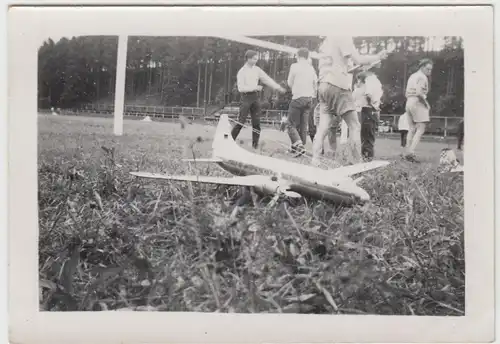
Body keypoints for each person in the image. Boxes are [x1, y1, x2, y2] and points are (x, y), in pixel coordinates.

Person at [312, 36, 388, 166]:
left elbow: (344, 65)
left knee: (323, 127)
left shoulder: (326, 42)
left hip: (323, 85)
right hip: (338, 84)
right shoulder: (343, 36)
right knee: (354, 125)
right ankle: (357, 163)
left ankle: (315, 159)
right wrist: (377, 57)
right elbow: (357, 58)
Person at [231, 50, 286, 149]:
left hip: (255, 98)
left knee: (256, 123)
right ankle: (229, 142)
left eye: (257, 59)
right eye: (254, 59)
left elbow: (267, 79)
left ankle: (255, 146)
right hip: (245, 98)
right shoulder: (242, 72)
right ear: (248, 59)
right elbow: (240, 88)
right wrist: (254, 87)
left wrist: (277, 87)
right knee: (241, 122)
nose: (256, 60)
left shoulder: (257, 70)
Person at [285, 48, 318, 157]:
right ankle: (299, 148)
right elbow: (315, 83)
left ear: (297, 56)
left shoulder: (294, 66)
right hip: (309, 98)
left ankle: (299, 146)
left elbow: (289, 82)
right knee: (303, 125)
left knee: (290, 124)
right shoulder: (311, 68)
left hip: (298, 97)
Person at [402, 58, 433, 163]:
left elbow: (406, 93)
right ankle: (410, 152)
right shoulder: (422, 77)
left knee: (411, 128)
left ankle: (407, 151)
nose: (429, 72)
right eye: (428, 69)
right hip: (418, 102)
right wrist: (426, 104)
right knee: (421, 129)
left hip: (409, 101)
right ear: (422, 67)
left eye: (430, 70)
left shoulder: (412, 76)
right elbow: (419, 93)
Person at [352, 71, 383, 160]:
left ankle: (364, 154)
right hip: (367, 109)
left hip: (362, 110)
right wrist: (373, 106)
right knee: (369, 133)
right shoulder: (364, 89)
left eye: (359, 80)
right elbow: (368, 95)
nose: (358, 82)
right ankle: (368, 155)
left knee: (364, 134)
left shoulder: (357, 90)